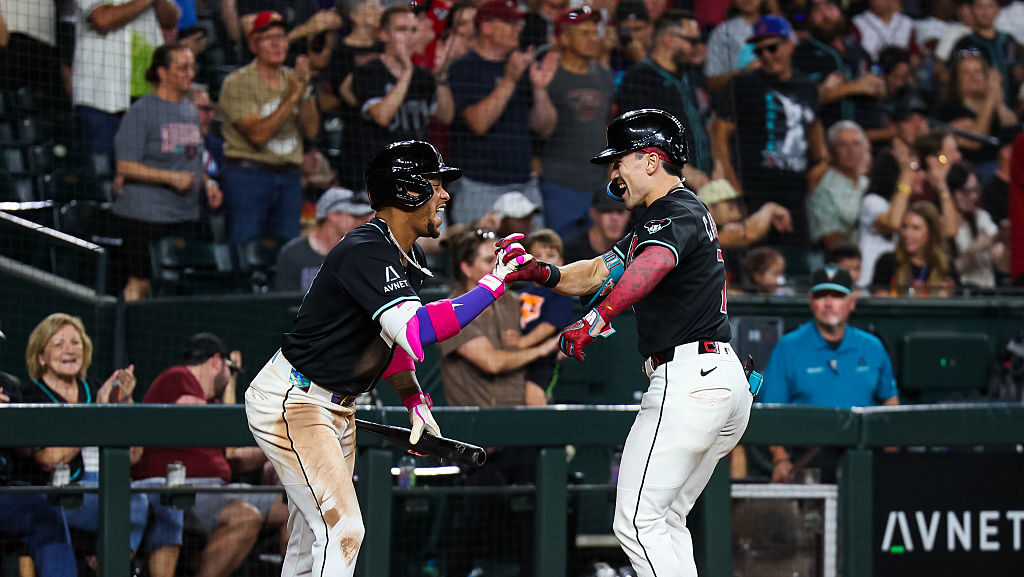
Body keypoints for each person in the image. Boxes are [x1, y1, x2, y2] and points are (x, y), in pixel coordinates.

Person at [244, 140, 533, 577]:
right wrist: (493, 283)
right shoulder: (366, 249)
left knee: (310, 541)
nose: (445, 195)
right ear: (408, 191)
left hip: (335, 405)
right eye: (436, 184)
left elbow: (392, 342)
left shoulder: (403, 252)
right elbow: (419, 329)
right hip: (297, 399)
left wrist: (413, 397)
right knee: (343, 528)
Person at [506, 108, 753, 577]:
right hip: (719, 380)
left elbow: (654, 264)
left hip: (690, 380)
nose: (613, 172)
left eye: (619, 161)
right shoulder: (668, 214)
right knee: (664, 519)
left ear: (652, 160)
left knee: (637, 521)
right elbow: (600, 271)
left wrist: (597, 318)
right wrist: (543, 272)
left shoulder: (674, 209)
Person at [16, 313, 181, 577]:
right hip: (61, 493)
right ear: (41, 356)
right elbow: (47, 458)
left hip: (109, 483)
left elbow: (134, 456)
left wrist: (125, 401)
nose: (69, 350)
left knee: (167, 498)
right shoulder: (29, 394)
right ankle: (113, 565)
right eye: (58, 344)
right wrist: (97, 413)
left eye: (76, 342)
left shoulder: (95, 388)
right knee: (133, 502)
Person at [132, 333, 286, 577]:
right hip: (178, 490)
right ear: (216, 362)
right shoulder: (179, 377)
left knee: (295, 507)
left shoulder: (210, 400)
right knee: (245, 517)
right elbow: (210, 424)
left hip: (216, 489)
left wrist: (281, 445)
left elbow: (235, 457)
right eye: (231, 371)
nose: (230, 379)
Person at [760, 265, 899, 483]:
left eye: (837, 296)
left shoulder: (872, 346)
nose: (828, 303)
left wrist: (891, 465)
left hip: (863, 454)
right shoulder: (788, 347)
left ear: (851, 302)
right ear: (810, 302)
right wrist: (780, 459)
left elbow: (891, 405)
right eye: (821, 296)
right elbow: (771, 412)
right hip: (807, 458)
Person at [113, 44, 220, 301]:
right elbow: (125, 165)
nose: (190, 73)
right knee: (140, 283)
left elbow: (193, 158)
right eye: (182, 67)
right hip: (144, 215)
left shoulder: (189, 111)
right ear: (162, 72)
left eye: (192, 67)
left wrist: (209, 183)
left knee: (177, 287)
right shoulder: (142, 111)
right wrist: (169, 177)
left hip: (183, 213)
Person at [712, 15, 827, 248]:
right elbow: (719, 133)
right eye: (759, 51)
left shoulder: (807, 87)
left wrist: (822, 163)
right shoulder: (743, 85)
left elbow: (814, 127)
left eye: (772, 48)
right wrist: (733, 186)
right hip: (754, 193)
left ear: (789, 45)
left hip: (795, 194)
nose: (766, 55)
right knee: (758, 265)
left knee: (795, 267)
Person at [446, 0, 558, 225]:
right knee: (478, 253)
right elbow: (478, 123)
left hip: (523, 183)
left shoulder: (521, 65)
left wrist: (538, 88)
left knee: (533, 257)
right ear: (486, 27)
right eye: (510, 23)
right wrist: (509, 80)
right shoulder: (463, 68)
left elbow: (544, 128)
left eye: (518, 23)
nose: (518, 29)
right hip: (478, 186)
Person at [218, 10, 320, 245]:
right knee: (244, 247)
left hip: (289, 178)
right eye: (267, 39)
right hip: (248, 176)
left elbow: (312, 131)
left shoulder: (293, 77)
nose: (276, 44)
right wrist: (293, 95)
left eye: (281, 37)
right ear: (253, 45)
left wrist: (305, 91)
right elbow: (258, 135)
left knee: (286, 250)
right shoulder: (238, 82)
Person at [439, 226, 559, 407]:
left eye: (498, 260)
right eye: (488, 260)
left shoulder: (511, 301)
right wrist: (544, 349)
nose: (497, 266)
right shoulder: (449, 312)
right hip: (474, 425)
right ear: (466, 269)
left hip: (522, 417)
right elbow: (492, 362)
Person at [349, 4, 455, 173]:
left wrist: (440, 75)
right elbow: (382, 116)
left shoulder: (423, 77)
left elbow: (446, 116)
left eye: (413, 30)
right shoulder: (368, 71)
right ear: (383, 35)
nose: (409, 37)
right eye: (401, 30)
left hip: (417, 174)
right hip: (380, 177)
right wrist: (406, 71)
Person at [538, 5, 614, 240]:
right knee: (559, 253)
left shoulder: (604, 75)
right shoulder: (549, 76)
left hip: (597, 184)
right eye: (584, 33)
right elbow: (537, 129)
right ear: (564, 38)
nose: (593, 39)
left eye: (595, 33)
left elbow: (606, 126)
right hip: (559, 184)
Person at [72, 0, 180, 156]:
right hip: (101, 98)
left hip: (148, 95)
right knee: (104, 171)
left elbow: (170, 20)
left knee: (152, 170)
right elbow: (102, 20)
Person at [617, 10, 713, 183]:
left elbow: (708, 125)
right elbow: (640, 138)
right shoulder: (640, 77)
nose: (697, 47)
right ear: (668, 39)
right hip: (663, 189)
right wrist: (688, 173)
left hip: (703, 185)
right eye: (692, 41)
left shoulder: (692, 76)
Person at [0, 367, 78, 577]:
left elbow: (26, 449)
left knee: (45, 511)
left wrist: (9, 417)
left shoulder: (6, 384)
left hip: (3, 493)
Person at [792, 0, 880, 132]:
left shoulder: (855, 47)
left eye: (829, 7)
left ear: (840, 12)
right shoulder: (802, 53)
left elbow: (878, 78)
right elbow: (802, 100)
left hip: (867, 134)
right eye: (817, 10)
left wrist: (879, 84)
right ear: (809, 18)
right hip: (826, 137)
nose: (825, 15)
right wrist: (854, 87)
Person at [273, 187, 375, 292]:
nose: (361, 222)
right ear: (333, 215)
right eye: (355, 216)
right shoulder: (293, 253)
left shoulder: (360, 251)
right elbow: (285, 304)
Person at [518, 229, 575, 398]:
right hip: (522, 356)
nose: (543, 260)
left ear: (561, 261)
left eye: (550, 255)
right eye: (537, 255)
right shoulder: (524, 292)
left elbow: (550, 326)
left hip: (547, 358)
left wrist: (523, 342)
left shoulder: (561, 292)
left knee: (535, 395)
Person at [856, 148, 921, 288]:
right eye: (915, 169)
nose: (921, 175)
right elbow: (894, 223)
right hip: (869, 285)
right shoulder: (872, 202)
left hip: (895, 283)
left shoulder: (910, 208)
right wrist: (906, 175)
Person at [872, 200, 957, 296]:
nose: (907, 234)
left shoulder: (945, 266)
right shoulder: (888, 262)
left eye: (915, 228)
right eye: (904, 227)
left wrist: (945, 297)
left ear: (931, 233)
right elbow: (880, 301)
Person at [807, 121, 870, 249]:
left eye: (856, 144)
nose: (851, 150)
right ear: (831, 150)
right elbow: (830, 239)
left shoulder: (868, 184)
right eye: (842, 145)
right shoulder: (823, 185)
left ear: (864, 148)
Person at [949, 0, 1023, 108]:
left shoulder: (1008, 41)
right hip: (978, 110)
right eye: (980, 7)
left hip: (1010, 108)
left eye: (990, 6)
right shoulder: (965, 44)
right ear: (972, 10)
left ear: (998, 10)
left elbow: (1018, 67)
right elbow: (954, 75)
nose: (985, 12)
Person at [947, 161, 1005, 289]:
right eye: (966, 191)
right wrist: (974, 250)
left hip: (988, 291)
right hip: (961, 292)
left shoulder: (982, 217)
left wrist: (1003, 241)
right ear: (952, 191)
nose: (973, 197)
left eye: (976, 190)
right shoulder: (944, 223)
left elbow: (998, 257)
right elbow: (950, 271)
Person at [697, 179, 793, 250]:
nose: (737, 215)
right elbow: (749, 233)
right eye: (730, 208)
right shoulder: (703, 231)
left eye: (736, 207)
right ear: (709, 207)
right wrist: (770, 208)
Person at [704, 0, 767, 93]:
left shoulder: (780, 27)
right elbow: (711, 83)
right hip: (741, 98)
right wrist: (743, 72)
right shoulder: (722, 32)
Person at [562, 191, 632, 263]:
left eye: (620, 211)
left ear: (630, 214)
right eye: (607, 210)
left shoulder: (633, 249)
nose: (614, 218)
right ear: (593, 213)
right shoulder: (570, 250)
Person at [850, 0, 917, 62]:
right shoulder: (858, 22)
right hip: (873, 67)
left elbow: (914, 52)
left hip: (902, 68)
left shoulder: (906, 22)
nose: (880, 2)